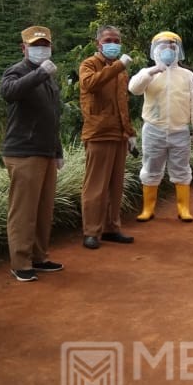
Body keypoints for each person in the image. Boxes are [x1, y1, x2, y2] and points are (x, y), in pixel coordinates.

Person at [0, 26, 65, 283]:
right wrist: (39, 74)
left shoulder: (48, 76)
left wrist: (57, 150)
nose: (41, 48)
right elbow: (8, 92)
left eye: (45, 44)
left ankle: (39, 256)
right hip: (24, 151)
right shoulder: (18, 70)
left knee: (43, 209)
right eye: (35, 44)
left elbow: (52, 117)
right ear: (23, 48)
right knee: (23, 211)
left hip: (45, 150)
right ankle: (20, 261)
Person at [128, 30, 193, 222]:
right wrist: (152, 71)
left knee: (181, 169)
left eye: (172, 46)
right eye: (164, 46)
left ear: (178, 50)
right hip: (154, 129)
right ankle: (148, 209)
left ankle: (183, 209)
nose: (169, 50)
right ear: (155, 50)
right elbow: (134, 89)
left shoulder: (187, 75)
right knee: (151, 168)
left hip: (180, 130)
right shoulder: (148, 73)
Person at [79, 25, 137, 249]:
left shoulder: (121, 70)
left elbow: (123, 104)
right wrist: (118, 65)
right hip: (98, 132)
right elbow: (89, 84)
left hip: (118, 133)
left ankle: (112, 227)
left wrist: (129, 133)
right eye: (108, 39)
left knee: (115, 185)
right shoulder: (89, 64)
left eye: (117, 39)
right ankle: (91, 231)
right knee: (95, 186)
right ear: (98, 43)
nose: (113, 43)